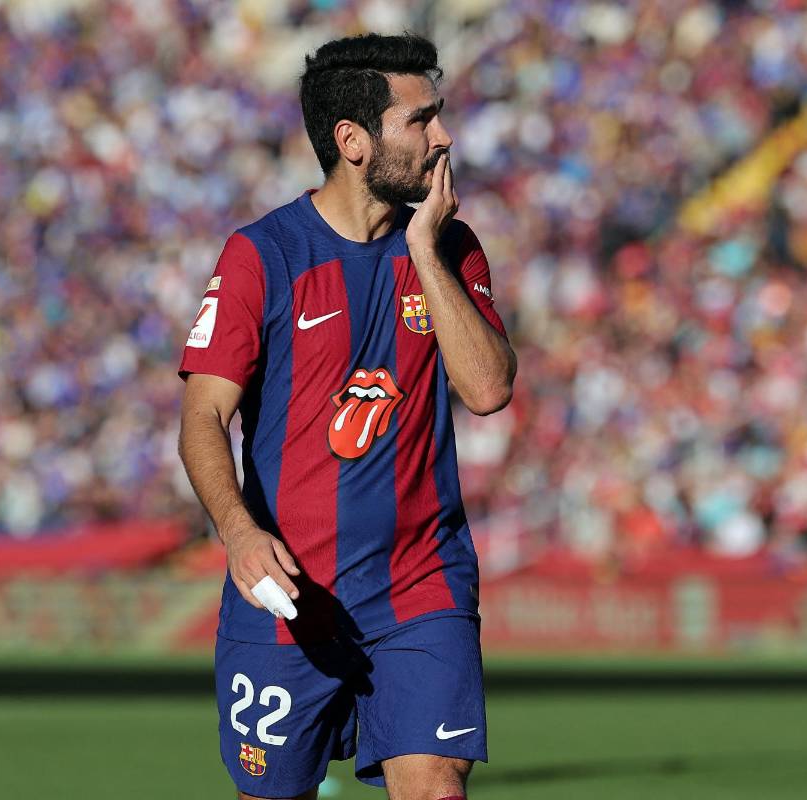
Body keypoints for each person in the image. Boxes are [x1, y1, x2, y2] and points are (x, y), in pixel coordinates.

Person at [177, 32, 516, 800]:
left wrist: (427, 253)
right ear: (353, 141)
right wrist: (237, 532)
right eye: (422, 119)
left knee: (435, 788)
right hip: (290, 596)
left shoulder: (453, 248)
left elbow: (490, 389)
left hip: (422, 586)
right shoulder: (261, 256)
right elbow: (202, 417)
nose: (445, 137)